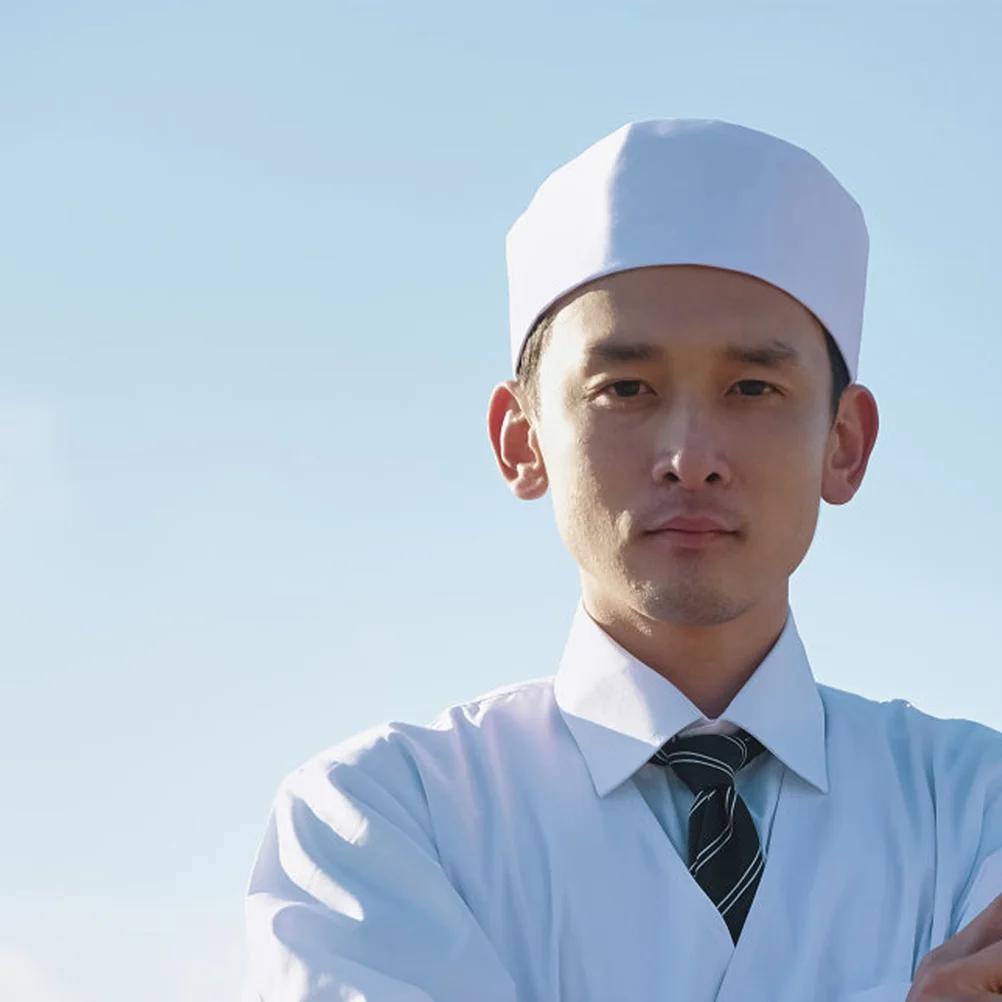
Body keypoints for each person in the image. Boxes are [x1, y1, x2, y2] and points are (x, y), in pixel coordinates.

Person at [242, 120, 1002, 1002]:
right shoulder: (380, 820)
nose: (691, 453)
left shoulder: (976, 807)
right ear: (521, 439)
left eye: (753, 388)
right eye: (625, 389)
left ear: (844, 443)